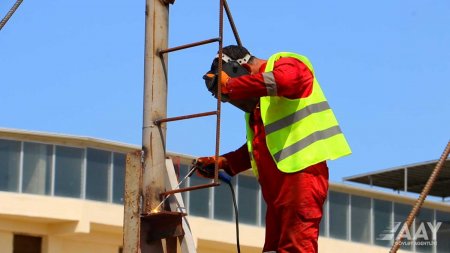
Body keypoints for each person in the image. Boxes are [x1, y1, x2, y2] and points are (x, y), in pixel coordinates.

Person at [192, 45, 351, 253]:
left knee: (296, 247)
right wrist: (226, 163)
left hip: (300, 177)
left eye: (229, 95)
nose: (233, 99)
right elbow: (262, 145)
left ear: (241, 70)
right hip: (276, 189)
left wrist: (232, 86)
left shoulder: (287, 63)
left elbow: (288, 80)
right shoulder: (259, 106)